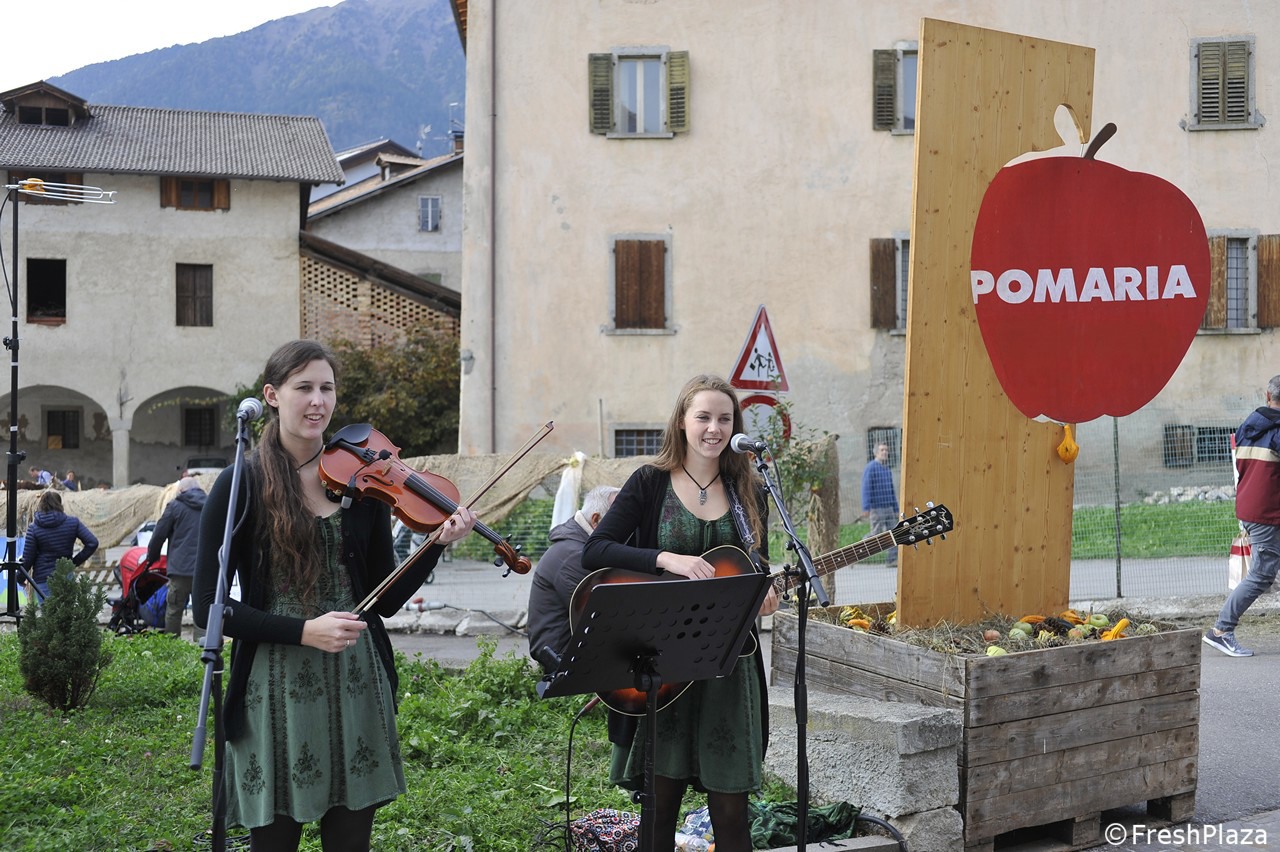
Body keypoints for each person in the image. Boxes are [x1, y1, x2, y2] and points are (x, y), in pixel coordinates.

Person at [193, 339, 478, 851]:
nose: (317, 401)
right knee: (273, 843)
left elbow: (383, 601)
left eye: (327, 388)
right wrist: (304, 631)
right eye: (303, 387)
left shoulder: (363, 484)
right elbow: (209, 609)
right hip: (272, 686)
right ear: (272, 395)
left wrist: (434, 546)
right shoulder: (240, 484)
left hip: (355, 680)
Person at [581, 374, 779, 852]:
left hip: (728, 665)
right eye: (703, 417)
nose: (714, 428)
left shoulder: (749, 489)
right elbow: (595, 549)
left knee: (731, 813)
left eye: (725, 419)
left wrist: (767, 592)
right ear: (682, 422)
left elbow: (758, 566)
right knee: (660, 805)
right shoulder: (650, 482)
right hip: (664, 662)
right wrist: (666, 558)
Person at [1205, 375, 1280, 657]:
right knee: (1262, 574)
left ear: (1267, 396)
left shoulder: (1248, 426)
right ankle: (1221, 631)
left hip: (1251, 506)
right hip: (1267, 512)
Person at [526, 484, 620, 671]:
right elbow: (604, 620)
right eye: (621, 520)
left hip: (581, 651)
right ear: (596, 520)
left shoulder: (582, 547)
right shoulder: (574, 556)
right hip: (566, 662)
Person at [146, 476, 207, 640]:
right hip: (204, 570)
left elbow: (159, 535)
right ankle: (203, 646)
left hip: (180, 569)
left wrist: (151, 558)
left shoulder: (175, 506)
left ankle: (173, 647)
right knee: (202, 610)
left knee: (174, 609)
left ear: (180, 490)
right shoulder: (210, 505)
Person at [20, 489, 99, 601]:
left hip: (43, 578)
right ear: (60, 504)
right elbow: (92, 543)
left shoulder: (34, 528)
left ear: (41, 505)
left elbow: (28, 558)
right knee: (66, 610)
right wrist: (73, 563)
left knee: (47, 610)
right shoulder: (73, 522)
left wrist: (20, 578)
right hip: (66, 575)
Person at [860, 442, 900, 569]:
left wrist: (896, 508)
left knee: (894, 533)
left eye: (886, 450)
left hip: (889, 507)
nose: (885, 452)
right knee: (875, 534)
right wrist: (866, 507)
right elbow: (866, 488)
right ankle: (857, 550)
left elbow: (891, 490)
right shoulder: (870, 467)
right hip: (876, 508)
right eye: (882, 450)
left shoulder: (887, 469)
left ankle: (892, 560)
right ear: (876, 452)